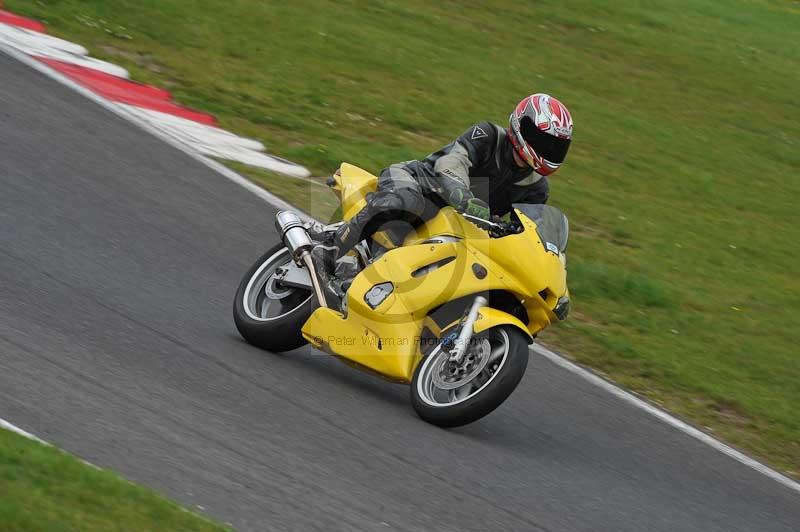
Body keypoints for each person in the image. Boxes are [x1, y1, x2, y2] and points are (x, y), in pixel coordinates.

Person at [312, 93, 574, 302]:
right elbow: (451, 164)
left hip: (456, 224)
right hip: (417, 182)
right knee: (406, 202)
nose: (548, 150)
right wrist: (465, 197)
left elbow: (527, 233)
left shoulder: (538, 189)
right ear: (522, 127)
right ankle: (329, 250)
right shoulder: (488, 135)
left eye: (556, 146)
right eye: (544, 141)